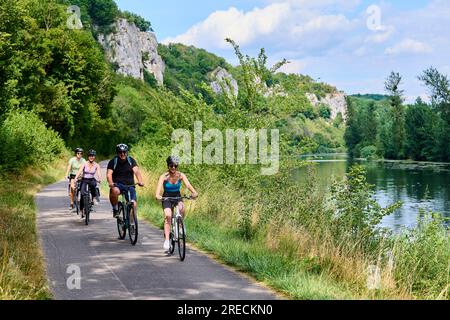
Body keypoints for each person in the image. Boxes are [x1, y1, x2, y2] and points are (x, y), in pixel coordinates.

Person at [155, 156, 198, 251]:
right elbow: (158, 191)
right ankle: (166, 240)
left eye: (175, 166)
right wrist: (158, 195)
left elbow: (188, 185)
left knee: (182, 208)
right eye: (171, 165)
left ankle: (179, 225)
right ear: (168, 166)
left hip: (177, 196)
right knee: (168, 216)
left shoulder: (181, 175)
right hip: (167, 197)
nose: (173, 167)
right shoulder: (164, 176)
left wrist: (194, 192)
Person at [107, 144, 144, 218]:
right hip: (118, 185)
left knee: (133, 204)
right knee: (114, 191)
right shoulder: (113, 162)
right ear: (117, 153)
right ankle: (115, 208)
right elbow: (109, 174)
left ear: (127, 152)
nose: (122, 154)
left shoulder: (131, 160)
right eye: (120, 152)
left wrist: (140, 181)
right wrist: (111, 183)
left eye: (124, 152)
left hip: (129, 185)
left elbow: (136, 171)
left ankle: (131, 223)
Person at [74, 149, 101, 217]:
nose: (91, 157)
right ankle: (81, 210)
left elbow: (98, 173)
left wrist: (99, 179)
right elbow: (80, 171)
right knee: (83, 193)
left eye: (93, 156)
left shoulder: (96, 165)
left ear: (94, 157)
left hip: (92, 179)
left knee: (94, 185)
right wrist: (75, 178)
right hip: (84, 179)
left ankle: (94, 198)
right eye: (90, 156)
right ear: (88, 156)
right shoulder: (84, 163)